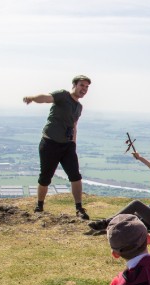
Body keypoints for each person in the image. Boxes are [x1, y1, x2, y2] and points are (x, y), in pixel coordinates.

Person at [23, 75, 91, 219]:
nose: (84, 89)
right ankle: (39, 206)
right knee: (45, 177)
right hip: (50, 143)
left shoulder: (79, 107)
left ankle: (79, 208)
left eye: (86, 87)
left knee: (75, 176)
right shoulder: (63, 96)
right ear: (74, 85)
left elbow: (74, 126)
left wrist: (73, 143)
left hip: (67, 145)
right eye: (82, 85)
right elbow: (46, 98)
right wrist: (32, 98)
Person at [89, 153, 150, 239]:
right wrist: (139, 157)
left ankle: (106, 223)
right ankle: (110, 226)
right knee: (133, 218)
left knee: (136, 205)